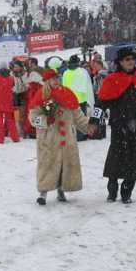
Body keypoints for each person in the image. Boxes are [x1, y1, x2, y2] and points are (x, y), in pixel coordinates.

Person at [90, 47, 136, 204]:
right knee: (116, 158)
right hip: (119, 127)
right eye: (127, 59)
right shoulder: (112, 79)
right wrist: (93, 121)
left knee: (135, 159)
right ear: (120, 62)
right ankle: (112, 191)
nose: (131, 61)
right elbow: (101, 103)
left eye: (132, 58)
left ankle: (127, 192)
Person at [28, 69, 96, 205]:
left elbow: (77, 115)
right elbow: (32, 117)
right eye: (52, 79)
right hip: (49, 139)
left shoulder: (67, 94)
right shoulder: (42, 95)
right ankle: (43, 192)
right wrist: (45, 120)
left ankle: (61, 190)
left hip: (67, 138)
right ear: (47, 81)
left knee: (65, 165)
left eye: (57, 78)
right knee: (47, 165)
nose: (55, 81)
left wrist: (88, 127)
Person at [0, 61, 20, 144]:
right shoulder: (11, 78)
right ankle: (15, 137)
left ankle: (0, 139)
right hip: (8, 102)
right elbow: (14, 91)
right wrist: (15, 101)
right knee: (10, 121)